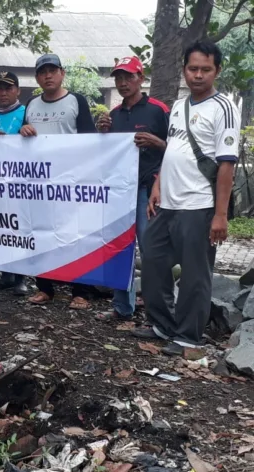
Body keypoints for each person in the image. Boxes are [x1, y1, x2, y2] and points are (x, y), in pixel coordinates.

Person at [133, 40, 240, 356]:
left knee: (195, 275)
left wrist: (220, 214)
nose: (198, 75)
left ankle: (188, 337)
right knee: (152, 262)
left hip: (199, 206)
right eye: (193, 68)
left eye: (205, 69)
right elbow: (173, 151)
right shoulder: (179, 106)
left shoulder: (224, 108)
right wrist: (157, 186)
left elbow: (226, 165)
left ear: (216, 71)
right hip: (167, 202)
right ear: (183, 70)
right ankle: (161, 324)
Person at [20, 53, 97, 310]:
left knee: (75, 236)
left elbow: (91, 141)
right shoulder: (31, 105)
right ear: (37, 77)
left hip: (70, 184)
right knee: (40, 233)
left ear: (62, 73)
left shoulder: (77, 101)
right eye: (43, 72)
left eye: (53, 70)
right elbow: (21, 138)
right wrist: (23, 131)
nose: (48, 75)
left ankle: (80, 291)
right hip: (39, 184)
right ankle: (45, 288)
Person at [95, 57, 170, 321]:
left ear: (141, 78)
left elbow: (177, 149)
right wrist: (103, 134)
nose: (123, 83)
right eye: (118, 78)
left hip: (148, 190)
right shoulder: (113, 115)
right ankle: (122, 307)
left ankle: (157, 312)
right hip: (119, 191)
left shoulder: (158, 110)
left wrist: (157, 142)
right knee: (120, 248)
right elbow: (108, 154)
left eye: (129, 77)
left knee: (150, 250)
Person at [0, 71, 28, 296]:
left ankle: (21, 278)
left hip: (19, 182)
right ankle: (6, 274)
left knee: (19, 229)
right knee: (0, 228)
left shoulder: (26, 113)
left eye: (8, 88)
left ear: (17, 90)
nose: (3, 92)